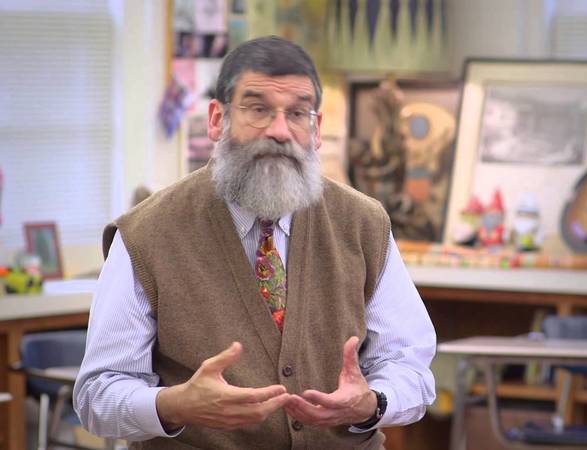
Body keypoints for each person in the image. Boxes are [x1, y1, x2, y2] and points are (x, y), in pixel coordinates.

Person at [73, 36, 436, 450]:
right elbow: (97, 395)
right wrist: (174, 405)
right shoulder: (145, 234)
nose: (279, 131)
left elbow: (411, 368)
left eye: (297, 113)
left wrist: (373, 403)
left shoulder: (363, 223)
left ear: (316, 129)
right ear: (217, 119)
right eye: (258, 109)